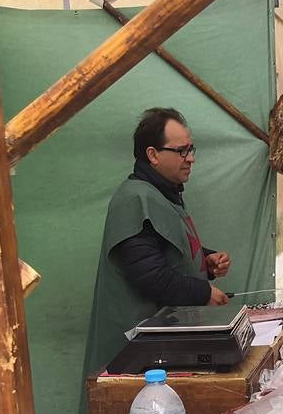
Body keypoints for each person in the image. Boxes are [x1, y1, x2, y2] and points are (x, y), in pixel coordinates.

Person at [83, 108, 231, 377]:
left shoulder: (162, 194)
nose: (191, 158)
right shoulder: (135, 199)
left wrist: (205, 260)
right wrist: (204, 292)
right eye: (182, 151)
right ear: (152, 154)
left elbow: (164, 250)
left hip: (159, 347)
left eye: (191, 149)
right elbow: (150, 275)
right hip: (134, 356)